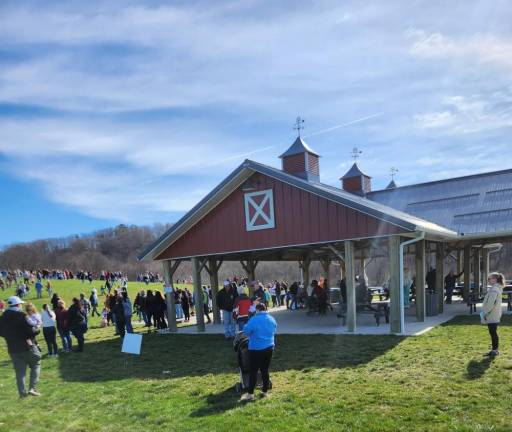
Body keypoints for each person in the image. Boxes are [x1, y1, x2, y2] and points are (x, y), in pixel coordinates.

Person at [0, 296, 42, 397]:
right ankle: (32, 388)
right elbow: (30, 332)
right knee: (36, 363)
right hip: (27, 346)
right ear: (18, 305)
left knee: (20, 372)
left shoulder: (2, 317)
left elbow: (1, 332)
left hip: (13, 348)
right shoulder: (22, 316)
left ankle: (22, 394)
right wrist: (37, 329)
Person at [240, 303, 277, 402]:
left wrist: (248, 323)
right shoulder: (272, 319)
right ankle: (265, 392)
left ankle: (250, 394)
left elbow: (246, 331)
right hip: (269, 347)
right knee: (265, 370)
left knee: (254, 371)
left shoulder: (254, 319)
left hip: (256, 348)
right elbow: (274, 330)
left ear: (257, 310)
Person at [481, 272, 505, 357]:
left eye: (489, 279)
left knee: (493, 333)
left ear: (495, 279)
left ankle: (495, 350)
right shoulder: (496, 288)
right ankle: (494, 349)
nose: (489, 280)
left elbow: (490, 304)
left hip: (492, 315)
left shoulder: (494, 289)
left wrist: (485, 314)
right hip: (493, 314)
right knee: (493, 332)